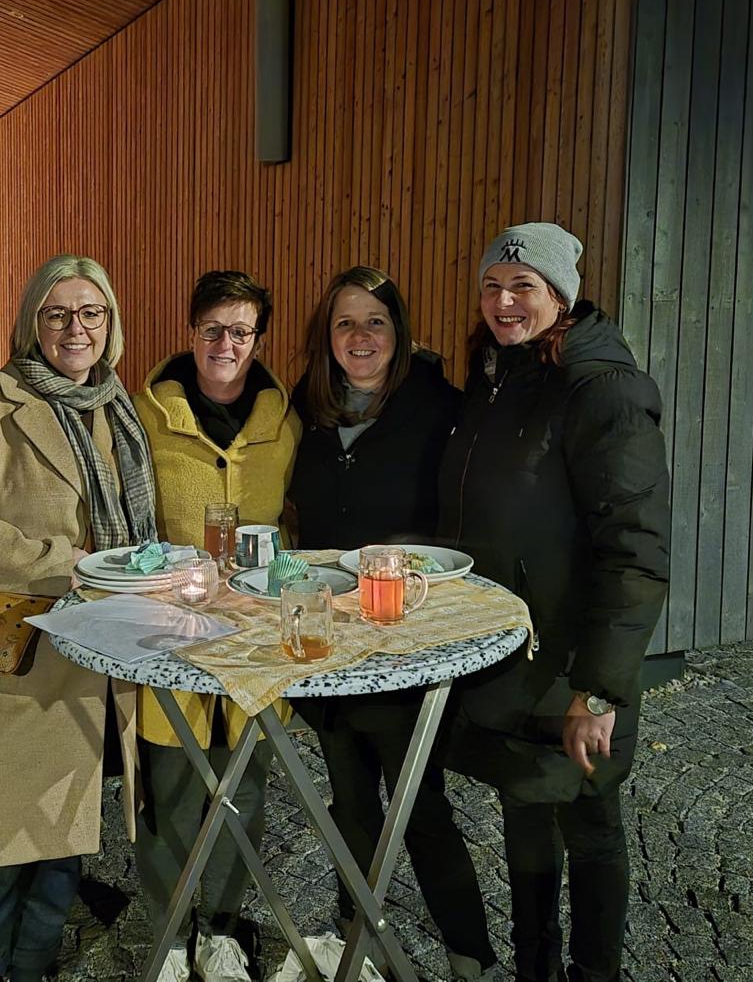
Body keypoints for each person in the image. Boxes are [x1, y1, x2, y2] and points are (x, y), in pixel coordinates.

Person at [0, 253, 156, 982]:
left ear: (110, 323)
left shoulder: (121, 410)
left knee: (62, 843)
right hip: (11, 659)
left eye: (91, 313)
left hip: (97, 656)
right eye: (57, 313)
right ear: (32, 323)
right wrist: (64, 562)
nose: (76, 328)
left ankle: (35, 968)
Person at [440, 223, 669, 982]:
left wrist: (599, 689)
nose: (503, 301)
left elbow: (635, 548)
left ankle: (596, 973)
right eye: (492, 286)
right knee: (526, 811)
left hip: (572, 661)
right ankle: (533, 968)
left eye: (523, 287)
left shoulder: (602, 390)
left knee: (591, 823)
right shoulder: (499, 379)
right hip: (514, 661)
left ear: (561, 296)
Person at [285, 266, 499, 982]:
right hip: (330, 643)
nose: (360, 336)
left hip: (406, 645)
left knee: (421, 804)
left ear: (399, 333)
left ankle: (470, 956)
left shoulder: (437, 406)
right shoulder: (309, 408)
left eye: (375, 321)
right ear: (326, 336)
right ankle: (361, 939)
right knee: (350, 801)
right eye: (345, 322)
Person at [130, 270, 302, 982]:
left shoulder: (285, 423)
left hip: (256, 637)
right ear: (191, 332)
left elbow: (298, 519)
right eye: (212, 330)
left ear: (258, 338)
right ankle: (171, 932)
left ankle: (224, 930)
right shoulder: (146, 416)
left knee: (247, 783)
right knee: (170, 786)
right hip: (170, 631)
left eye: (240, 331)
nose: (225, 344)